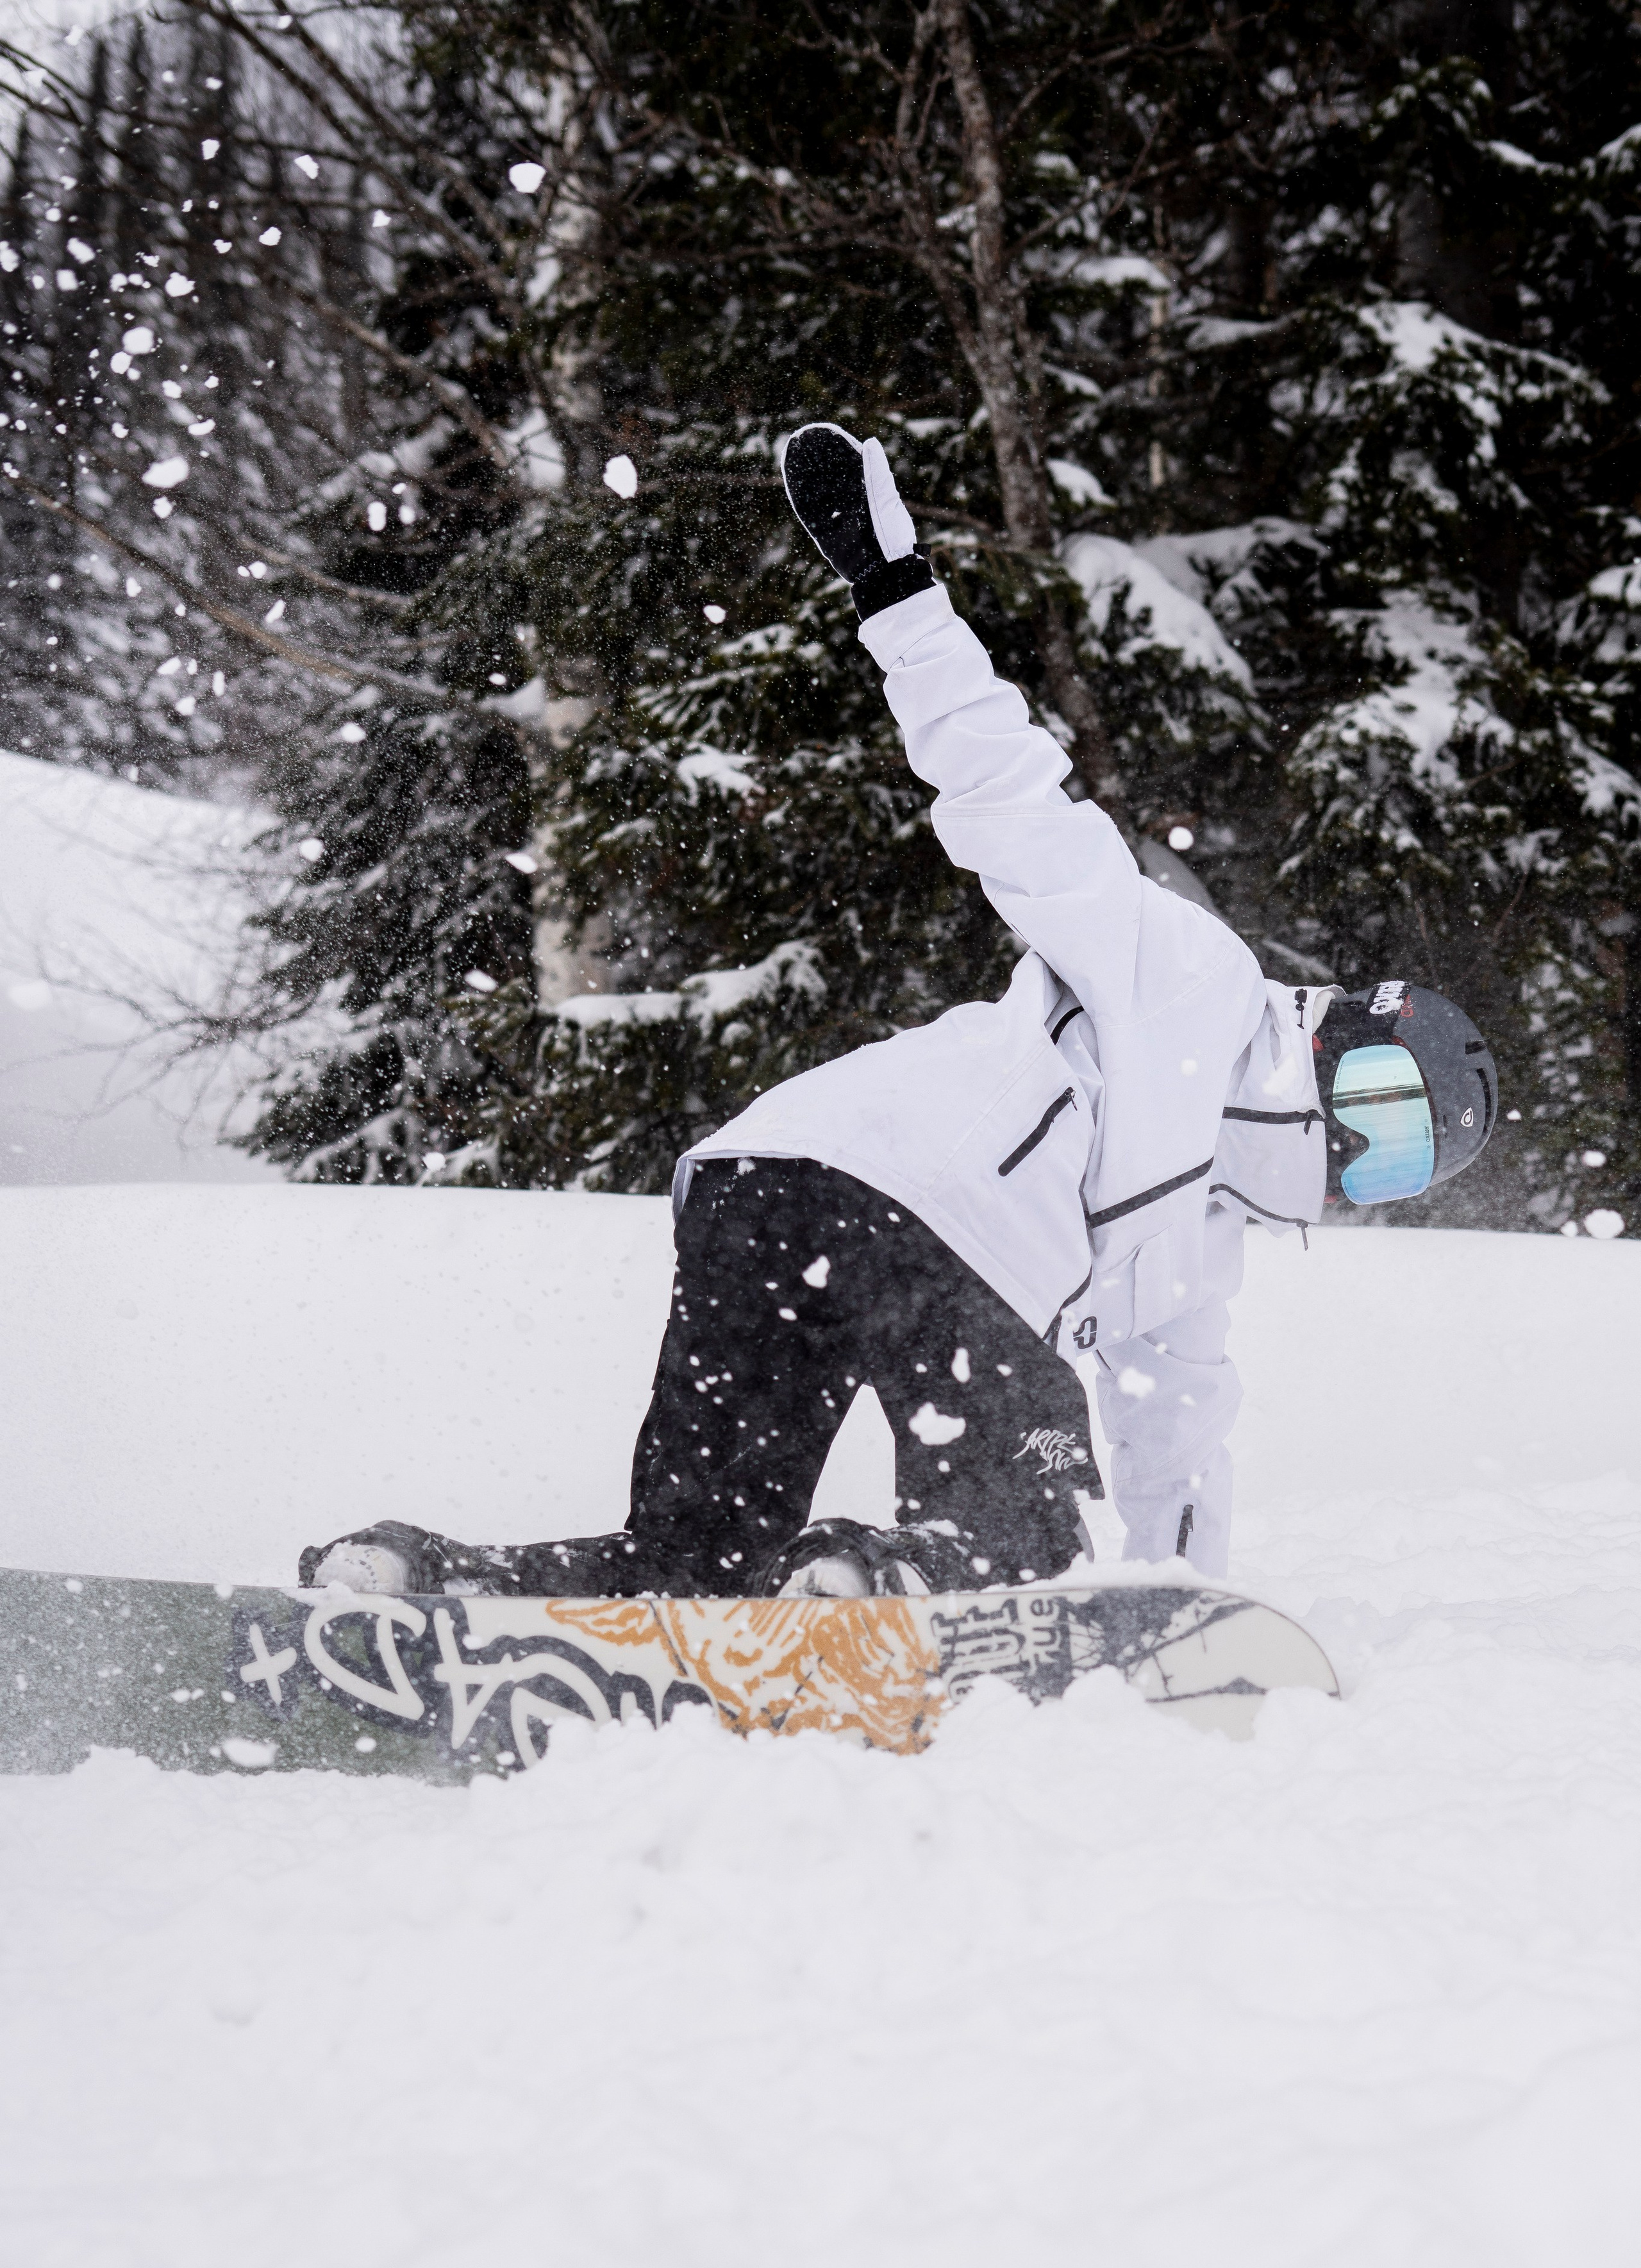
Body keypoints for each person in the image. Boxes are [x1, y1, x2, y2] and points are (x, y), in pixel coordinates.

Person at [303, 422, 1497, 1601]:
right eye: (1379, 1110)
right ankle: (866, 1592)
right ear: (1336, 1037)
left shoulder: (1195, 1264)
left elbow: (1176, 1437)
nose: (1351, 1159)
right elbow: (1014, 798)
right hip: (932, 1210)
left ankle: (415, 1583)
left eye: (1397, 1167)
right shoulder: (1195, 979)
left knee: (694, 1561)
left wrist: (1180, 1611)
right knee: (1027, 1539)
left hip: (764, 1185)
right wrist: (896, 591)